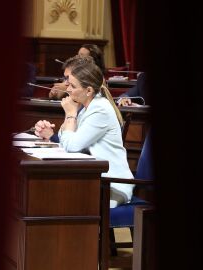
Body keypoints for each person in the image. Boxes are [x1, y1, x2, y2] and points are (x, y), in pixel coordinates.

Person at [36, 55, 134, 208]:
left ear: (88, 90)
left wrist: (70, 114)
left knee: (57, 200)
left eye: (73, 86)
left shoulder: (100, 108)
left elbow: (72, 146)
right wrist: (57, 126)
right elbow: (64, 139)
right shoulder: (87, 106)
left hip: (112, 185)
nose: (68, 89)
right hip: (96, 180)